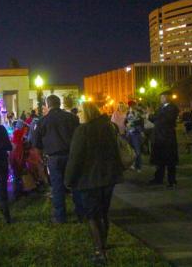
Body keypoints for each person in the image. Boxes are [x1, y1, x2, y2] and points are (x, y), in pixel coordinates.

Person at [65, 102, 124, 265]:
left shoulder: (82, 130)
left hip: (90, 179)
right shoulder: (109, 127)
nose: (78, 114)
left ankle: (99, 251)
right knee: (104, 212)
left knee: (92, 215)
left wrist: (68, 180)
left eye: (80, 112)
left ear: (87, 113)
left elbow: (75, 158)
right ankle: (103, 244)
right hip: (109, 177)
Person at [36, 95, 83, 224]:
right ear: (59, 103)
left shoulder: (42, 121)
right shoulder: (72, 118)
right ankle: (81, 213)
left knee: (57, 187)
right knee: (75, 185)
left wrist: (41, 159)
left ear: (47, 104)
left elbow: (37, 144)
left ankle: (60, 216)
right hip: (71, 156)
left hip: (54, 158)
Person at [149, 91, 180, 188]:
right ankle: (158, 178)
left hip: (167, 137)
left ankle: (172, 181)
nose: (160, 99)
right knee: (159, 160)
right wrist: (151, 116)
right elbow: (155, 119)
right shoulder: (161, 108)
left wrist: (153, 116)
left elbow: (164, 120)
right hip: (159, 137)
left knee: (170, 160)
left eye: (162, 97)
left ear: (167, 97)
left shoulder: (172, 108)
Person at [125, 101, 144, 172]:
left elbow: (141, 122)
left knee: (137, 151)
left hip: (136, 133)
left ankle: (138, 166)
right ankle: (132, 165)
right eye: (130, 106)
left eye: (132, 106)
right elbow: (125, 121)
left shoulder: (138, 113)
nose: (131, 107)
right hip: (129, 133)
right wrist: (126, 124)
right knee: (130, 150)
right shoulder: (128, 113)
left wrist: (132, 123)